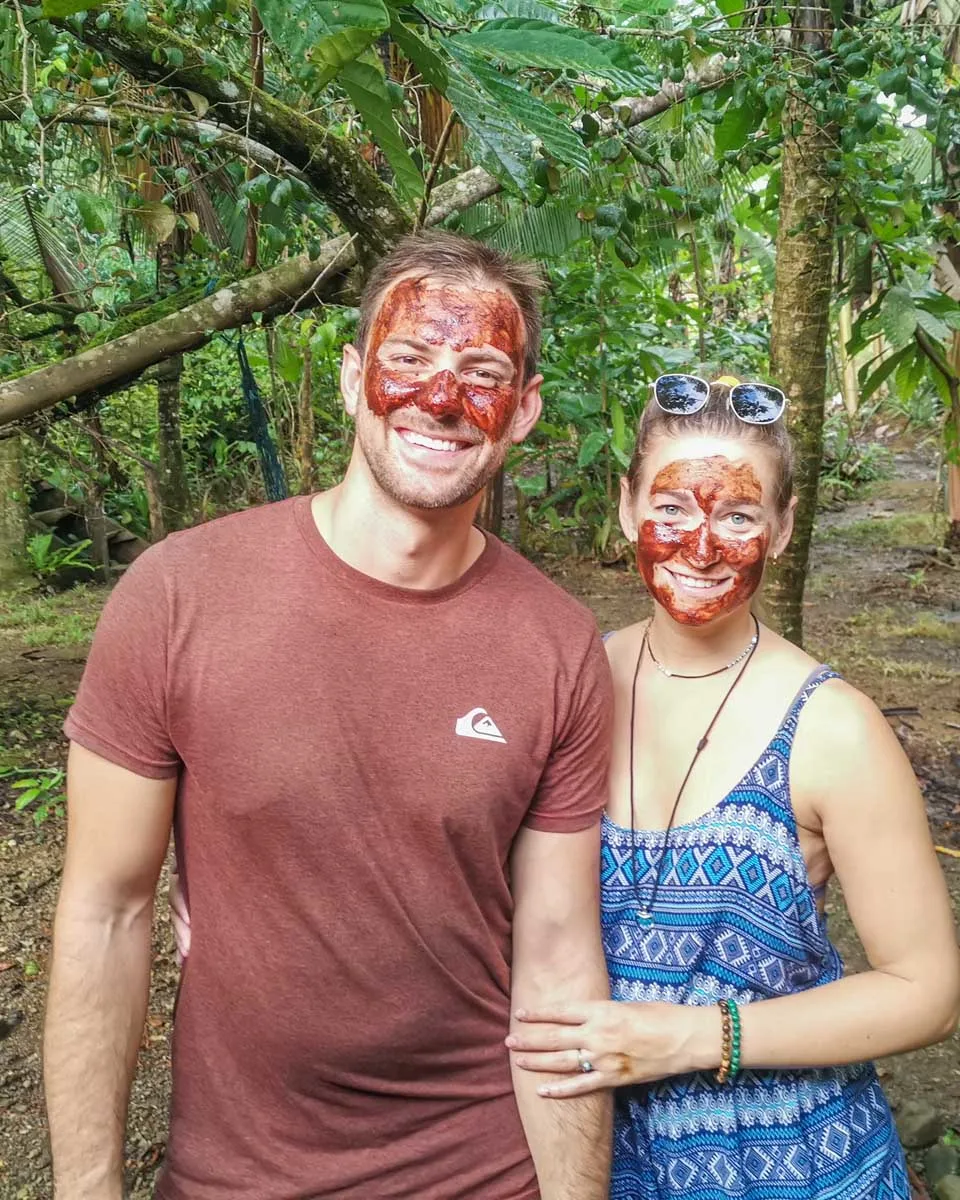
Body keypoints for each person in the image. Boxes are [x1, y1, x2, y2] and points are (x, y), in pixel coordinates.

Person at [44, 232, 614, 1200]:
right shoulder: (177, 594)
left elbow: (558, 968)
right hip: (239, 1176)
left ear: (522, 412)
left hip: (482, 1172)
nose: (441, 400)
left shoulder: (559, 646)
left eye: (481, 372)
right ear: (354, 379)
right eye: (408, 360)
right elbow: (107, 911)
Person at [506, 373, 960, 1199]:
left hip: (793, 1163)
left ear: (782, 528)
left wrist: (695, 1037)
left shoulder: (834, 728)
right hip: (596, 1157)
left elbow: (926, 992)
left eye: (740, 515)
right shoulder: (567, 684)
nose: (702, 545)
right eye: (672, 508)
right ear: (625, 508)